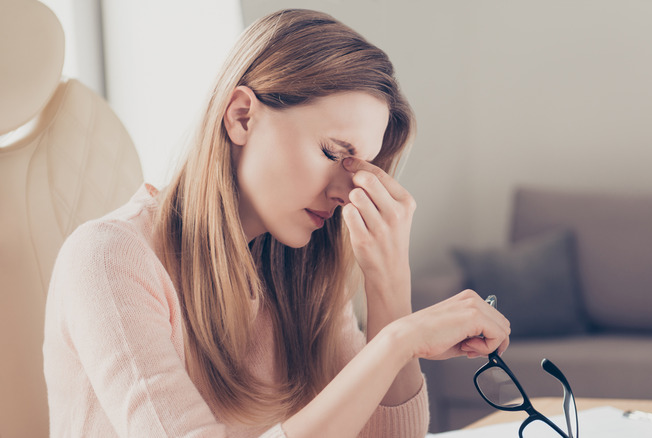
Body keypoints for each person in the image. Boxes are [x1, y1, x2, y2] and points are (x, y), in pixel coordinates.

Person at [43, 9, 510, 438]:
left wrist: (389, 285)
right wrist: (396, 342)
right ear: (242, 117)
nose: (346, 191)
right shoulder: (110, 258)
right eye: (332, 152)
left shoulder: (303, 270)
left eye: (360, 169)